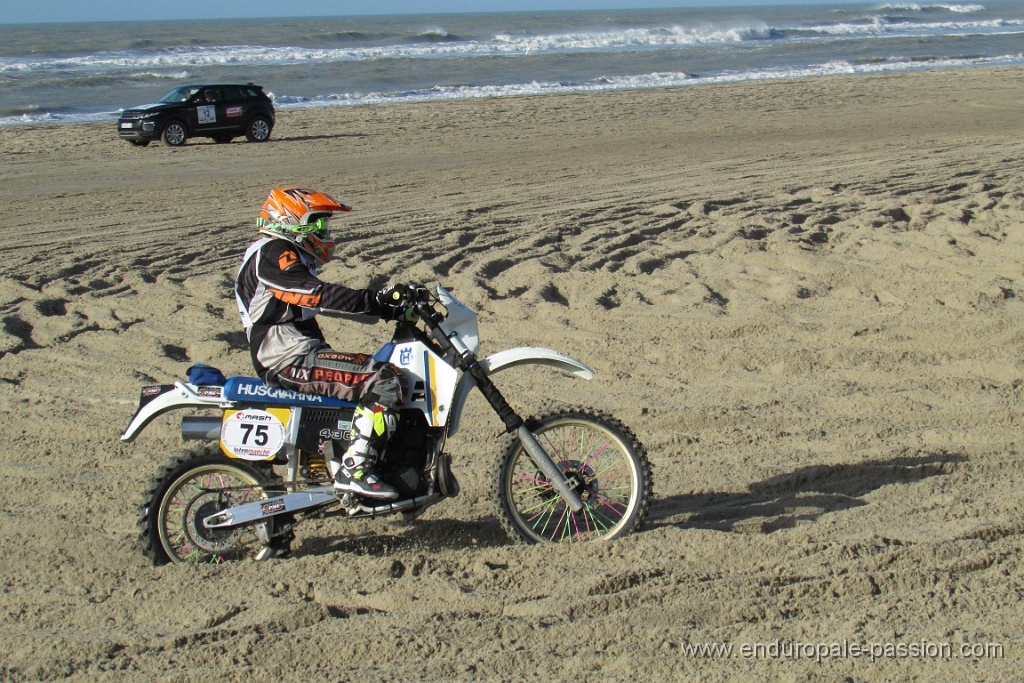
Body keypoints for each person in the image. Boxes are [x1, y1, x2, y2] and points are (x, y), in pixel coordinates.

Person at [234, 186, 414, 500]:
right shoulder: (274, 252)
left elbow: (314, 302)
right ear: (290, 220)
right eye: (318, 224)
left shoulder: (275, 253)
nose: (325, 232)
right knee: (384, 380)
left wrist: (389, 308)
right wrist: (374, 300)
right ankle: (354, 470)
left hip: (296, 354)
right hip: (286, 360)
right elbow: (315, 294)